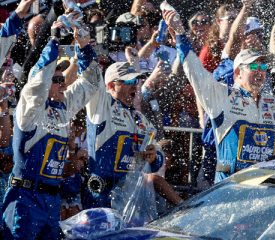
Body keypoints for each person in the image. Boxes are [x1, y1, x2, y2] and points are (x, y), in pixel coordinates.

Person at [167, 9, 275, 182]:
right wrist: (180, 35)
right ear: (237, 73)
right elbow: (195, 71)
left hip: (265, 188)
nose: (260, 71)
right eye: (253, 67)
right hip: (231, 187)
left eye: (263, 67)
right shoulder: (223, 96)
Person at [2, 21, 98, 239]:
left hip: (52, 200)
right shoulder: (30, 109)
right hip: (25, 198)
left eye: (63, 79)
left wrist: (84, 48)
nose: (63, 84)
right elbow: (38, 82)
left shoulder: (63, 107)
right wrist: (54, 40)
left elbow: (90, 84)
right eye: (56, 80)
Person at [82, 59, 165, 209]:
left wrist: (154, 157)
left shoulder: (141, 119)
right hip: (101, 193)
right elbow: (89, 75)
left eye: (136, 81)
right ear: (111, 86)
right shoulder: (101, 106)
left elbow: (158, 156)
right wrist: (84, 51)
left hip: (130, 194)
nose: (134, 85)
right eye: (129, 81)